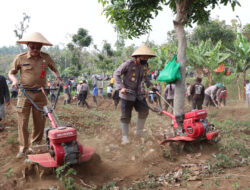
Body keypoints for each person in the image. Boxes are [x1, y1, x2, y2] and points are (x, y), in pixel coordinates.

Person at [8, 32, 62, 158]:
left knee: (40, 122)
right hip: (24, 93)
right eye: (33, 47)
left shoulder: (46, 57)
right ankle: (23, 149)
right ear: (28, 45)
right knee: (23, 122)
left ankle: (36, 145)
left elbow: (54, 69)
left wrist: (58, 78)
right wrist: (15, 81)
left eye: (38, 47)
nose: (36, 50)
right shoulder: (20, 58)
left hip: (40, 93)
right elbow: (11, 73)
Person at [114, 44, 156, 144]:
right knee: (126, 115)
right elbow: (116, 74)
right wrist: (121, 87)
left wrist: (151, 86)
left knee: (144, 110)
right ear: (137, 56)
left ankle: (139, 131)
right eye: (143, 57)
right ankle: (125, 137)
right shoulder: (128, 64)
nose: (145, 59)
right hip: (127, 93)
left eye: (147, 57)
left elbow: (145, 78)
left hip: (138, 94)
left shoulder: (145, 66)